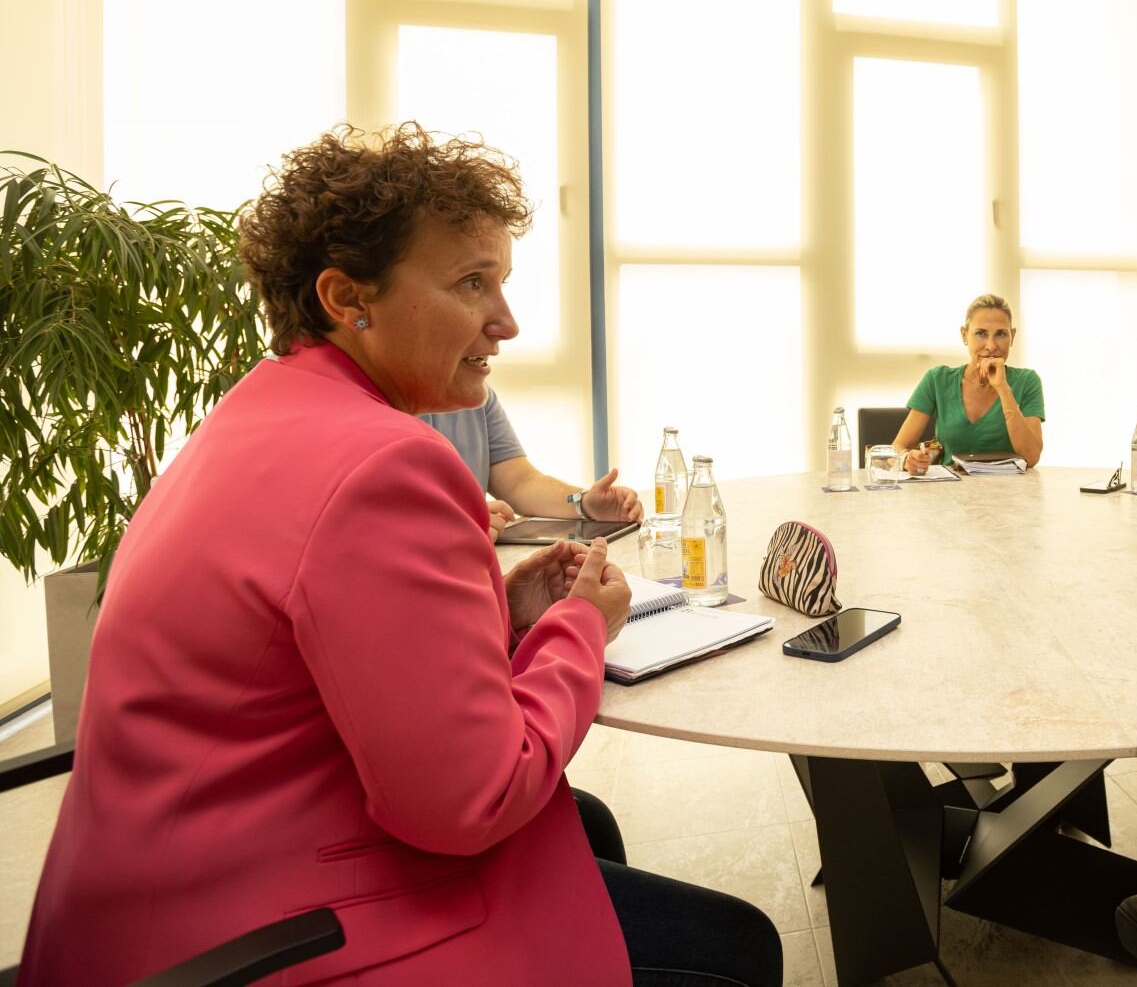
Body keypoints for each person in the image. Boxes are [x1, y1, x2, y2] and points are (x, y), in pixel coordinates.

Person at [20, 126, 781, 987]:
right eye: (470, 284)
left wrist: (500, 611)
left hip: (146, 911)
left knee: (589, 831)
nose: (507, 320)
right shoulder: (388, 464)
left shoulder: (257, 414)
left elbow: (307, 653)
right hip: (267, 939)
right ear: (350, 298)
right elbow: (474, 800)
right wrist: (578, 628)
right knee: (741, 949)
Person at [420, 388, 642, 539]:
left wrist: (583, 502)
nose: (509, 331)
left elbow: (520, 482)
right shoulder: (387, 405)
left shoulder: (478, 393)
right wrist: (453, 525)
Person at [897, 293, 1045, 472]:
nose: (991, 346)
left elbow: (1031, 457)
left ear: (1012, 336)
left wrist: (1002, 388)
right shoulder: (937, 379)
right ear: (964, 335)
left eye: (1001, 334)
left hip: (1008, 493)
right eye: (981, 334)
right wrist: (907, 459)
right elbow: (897, 447)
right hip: (949, 492)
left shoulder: (1027, 381)